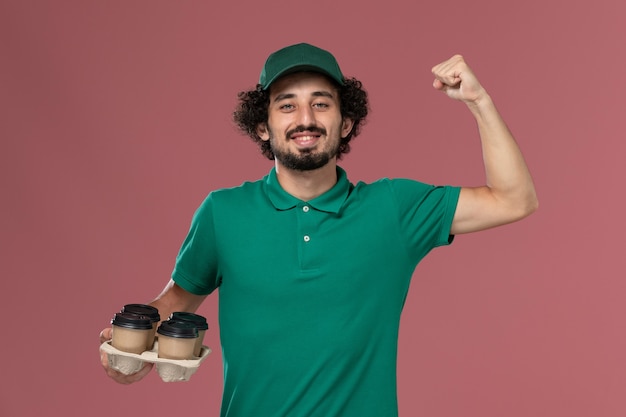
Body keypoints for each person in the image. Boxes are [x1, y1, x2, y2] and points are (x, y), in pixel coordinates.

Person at [99, 43, 538, 416]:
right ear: (263, 127)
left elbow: (514, 199)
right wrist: (133, 342)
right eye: (287, 104)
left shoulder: (393, 209)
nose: (305, 118)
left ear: (345, 123)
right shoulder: (222, 211)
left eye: (321, 103)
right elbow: (179, 297)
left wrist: (479, 102)